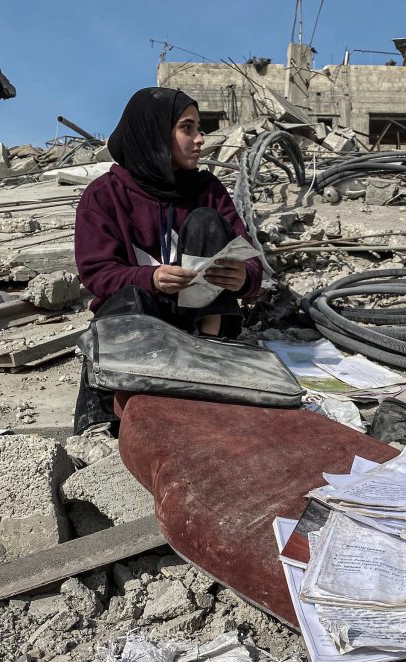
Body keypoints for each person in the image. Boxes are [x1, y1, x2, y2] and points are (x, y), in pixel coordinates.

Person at [72, 87, 263, 435]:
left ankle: (209, 359)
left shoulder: (207, 189)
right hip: (140, 325)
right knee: (129, 299)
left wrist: (244, 278)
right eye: (186, 128)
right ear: (155, 134)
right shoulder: (104, 195)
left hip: (200, 321)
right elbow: (96, 273)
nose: (200, 139)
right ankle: (101, 416)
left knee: (207, 221)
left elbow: (249, 257)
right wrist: (151, 279)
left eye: (199, 129)